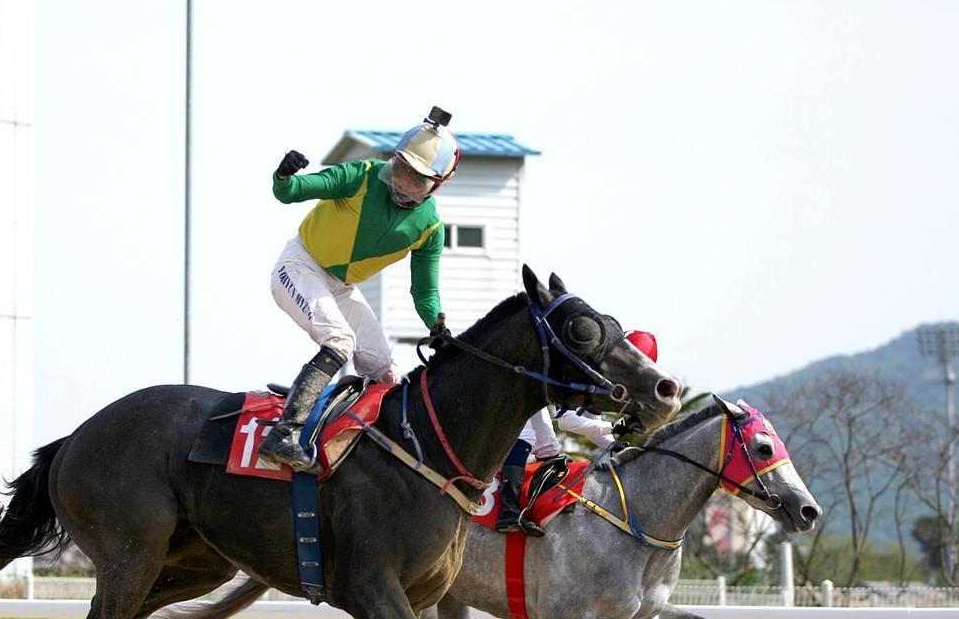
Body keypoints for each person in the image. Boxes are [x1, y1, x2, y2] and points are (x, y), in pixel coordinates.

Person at [259, 107, 460, 471]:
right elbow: (290, 192)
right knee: (340, 341)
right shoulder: (361, 175)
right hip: (299, 266)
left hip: (340, 287)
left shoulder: (431, 228)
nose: (402, 185)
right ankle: (283, 434)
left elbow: (424, 293)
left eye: (417, 181)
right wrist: (284, 174)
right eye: (401, 170)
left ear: (437, 184)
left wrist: (438, 327)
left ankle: (375, 454)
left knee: (387, 373)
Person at [495, 330, 660, 536]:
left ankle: (536, 505)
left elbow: (591, 420)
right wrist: (612, 427)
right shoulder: (587, 367)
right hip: (517, 378)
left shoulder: (605, 375)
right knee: (528, 436)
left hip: (532, 383)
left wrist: (613, 445)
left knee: (549, 448)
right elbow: (567, 421)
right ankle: (508, 512)